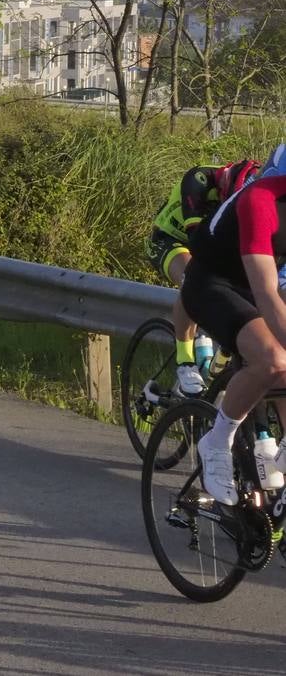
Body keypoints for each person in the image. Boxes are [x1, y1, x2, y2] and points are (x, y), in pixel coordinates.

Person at [184, 144, 286, 505]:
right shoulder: (260, 201)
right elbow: (268, 294)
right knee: (273, 359)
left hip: (258, 283)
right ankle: (217, 442)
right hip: (213, 283)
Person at [145, 159, 259, 395]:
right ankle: (185, 362)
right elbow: (199, 244)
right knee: (192, 276)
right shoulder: (198, 181)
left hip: (207, 247)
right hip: (170, 240)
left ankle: (219, 358)